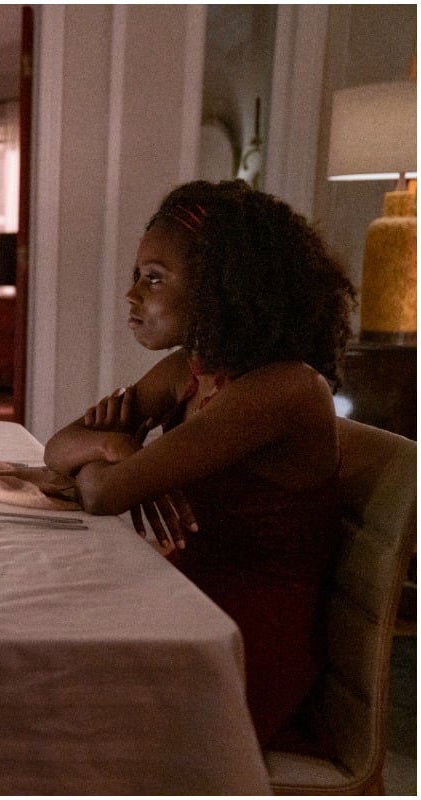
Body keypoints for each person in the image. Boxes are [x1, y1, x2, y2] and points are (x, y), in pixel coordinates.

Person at [44, 179, 356, 751]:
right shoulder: (190, 368)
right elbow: (59, 449)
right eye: (138, 275)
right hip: (178, 604)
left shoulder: (284, 389)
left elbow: (101, 496)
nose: (133, 295)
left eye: (155, 278)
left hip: (236, 648)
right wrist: (116, 448)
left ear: (221, 288)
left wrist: (116, 457)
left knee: (50, 695)